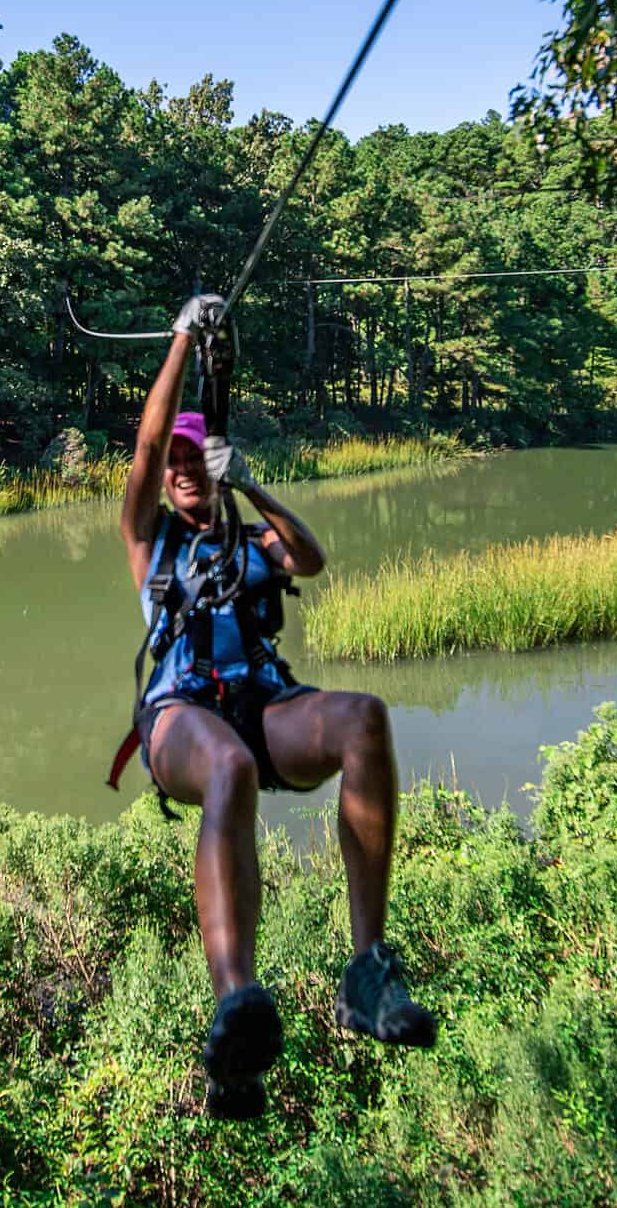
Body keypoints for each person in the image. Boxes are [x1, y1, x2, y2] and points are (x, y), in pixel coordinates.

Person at [114, 293, 436, 1121]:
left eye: (197, 461)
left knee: (364, 715)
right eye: (178, 466)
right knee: (229, 768)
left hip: (265, 704)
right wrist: (185, 336)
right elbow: (149, 444)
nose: (183, 471)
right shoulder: (152, 539)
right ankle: (235, 1005)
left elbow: (312, 555)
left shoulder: (251, 542)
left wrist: (248, 482)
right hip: (181, 716)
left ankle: (366, 969)